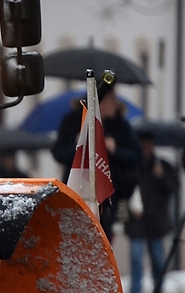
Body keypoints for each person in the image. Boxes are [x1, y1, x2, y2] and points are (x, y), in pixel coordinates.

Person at [51, 77, 139, 237]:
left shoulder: (120, 125)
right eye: (111, 100)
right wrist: (78, 145)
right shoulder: (73, 121)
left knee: (104, 237)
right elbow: (59, 153)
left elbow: (135, 156)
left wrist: (115, 150)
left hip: (109, 194)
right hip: (78, 190)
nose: (115, 104)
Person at [124, 125, 177, 293]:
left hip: (157, 220)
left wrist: (160, 177)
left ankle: (158, 292)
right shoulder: (131, 165)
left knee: (157, 259)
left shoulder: (162, 166)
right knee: (137, 258)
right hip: (136, 220)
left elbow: (172, 188)